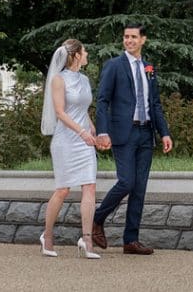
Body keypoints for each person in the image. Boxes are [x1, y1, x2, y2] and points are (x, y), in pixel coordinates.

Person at [91, 24, 173, 254]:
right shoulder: (114, 65)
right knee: (126, 182)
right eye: (126, 37)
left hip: (146, 133)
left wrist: (164, 133)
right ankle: (96, 218)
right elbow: (103, 100)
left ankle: (131, 241)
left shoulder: (149, 68)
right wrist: (102, 132)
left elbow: (155, 103)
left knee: (139, 188)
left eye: (134, 37)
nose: (129, 40)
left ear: (143, 40)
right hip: (123, 133)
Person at [39, 38, 102, 259]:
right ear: (75, 55)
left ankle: (87, 240)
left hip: (84, 141)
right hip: (66, 141)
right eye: (84, 52)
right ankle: (47, 236)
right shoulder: (58, 79)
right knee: (63, 190)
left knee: (90, 187)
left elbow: (82, 109)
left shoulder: (84, 79)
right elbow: (60, 112)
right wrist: (82, 132)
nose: (87, 55)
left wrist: (92, 129)